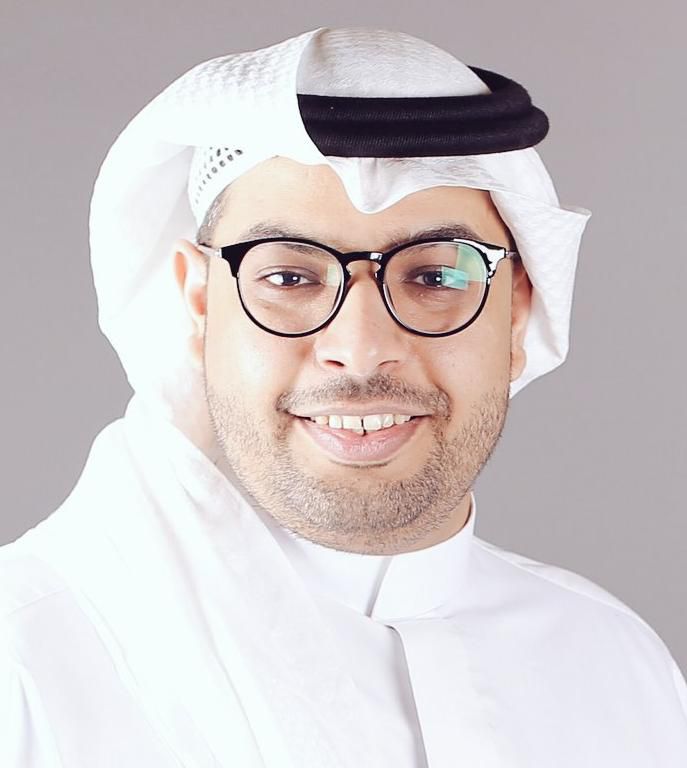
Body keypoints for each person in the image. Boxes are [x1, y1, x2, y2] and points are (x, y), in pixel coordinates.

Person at [1, 26, 686, 767]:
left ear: (517, 312)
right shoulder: (24, 666)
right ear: (199, 304)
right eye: (288, 277)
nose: (360, 349)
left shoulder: (615, 667)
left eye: (435, 276)